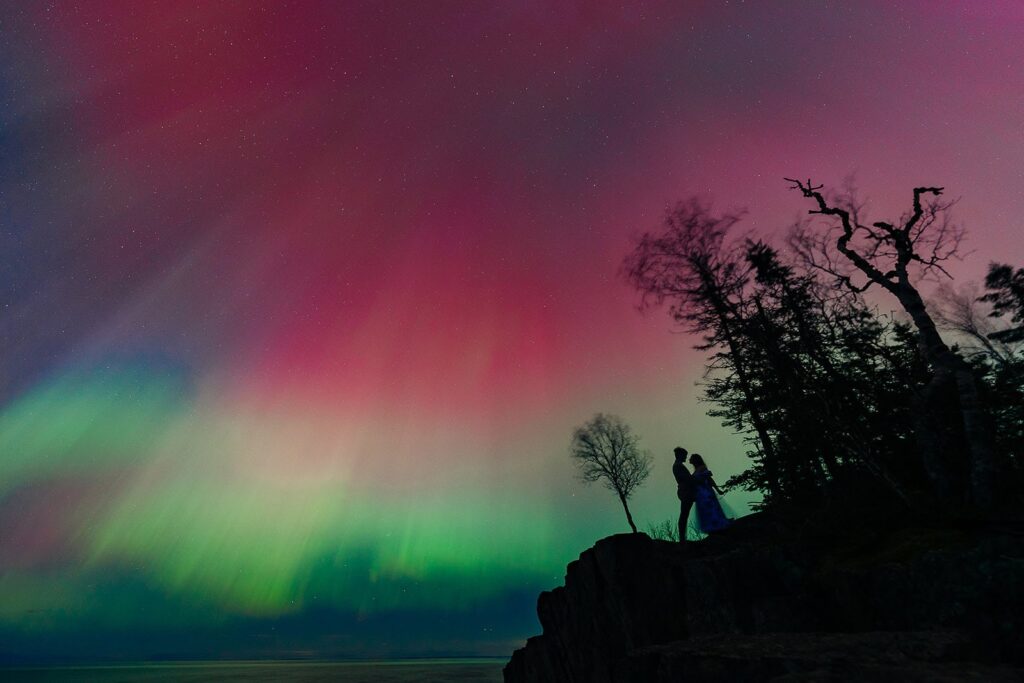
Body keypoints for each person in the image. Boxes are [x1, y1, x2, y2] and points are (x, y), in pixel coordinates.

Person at [689, 453, 731, 533]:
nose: (689, 460)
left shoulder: (702, 468)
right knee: (706, 510)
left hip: (706, 492)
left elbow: (709, 479)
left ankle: (717, 526)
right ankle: (712, 527)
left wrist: (717, 489)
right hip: (700, 493)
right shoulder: (697, 470)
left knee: (711, 508)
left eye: (691, 458)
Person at [672, 447, 695, 542]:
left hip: (685, 491)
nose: (686, 457)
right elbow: (687, 479)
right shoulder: (678, 466)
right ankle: (682, 538)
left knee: (684, 514)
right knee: (684, 514)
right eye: (685, 455)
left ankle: (682, 537)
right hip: (685, 491)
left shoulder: (678, 465)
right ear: (680, 455)